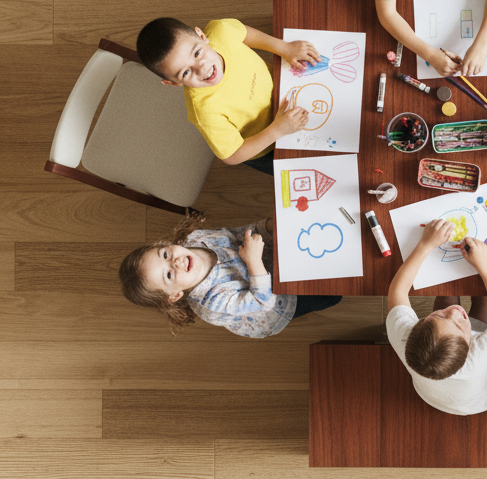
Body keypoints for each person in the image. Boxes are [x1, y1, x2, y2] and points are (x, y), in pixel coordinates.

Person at [136, 17, 319, 176]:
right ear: (174, 83)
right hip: (267, 144)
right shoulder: (204, 111)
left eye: (197, 53)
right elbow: (232, 155)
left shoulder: (221, 31)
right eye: (185, 72)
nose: (202, 68)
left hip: (287, 90)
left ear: (201, 36)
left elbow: (244, 33)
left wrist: (284, 47)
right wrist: (277, 130)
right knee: (309, 169)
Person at [119, 215, 340, 338]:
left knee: (319, 260)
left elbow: (233, 235)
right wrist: (253, 261)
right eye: (168, 275)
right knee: (327, 293)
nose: (175, 262)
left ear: (164, 244)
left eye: (165, 254)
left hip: (268, 261)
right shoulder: (213, 303)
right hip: (278, 304)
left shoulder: (195, 239)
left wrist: (265, 227)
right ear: (175, 295)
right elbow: (263, 302)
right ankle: (333, 296)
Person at [385, 219, 487, 415]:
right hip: (479, 400)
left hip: (432, 394)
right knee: (485, 296)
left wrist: (426, 244)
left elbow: (397, 291)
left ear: (417, 325)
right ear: (471, 344)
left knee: (445, 296)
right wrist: (484, 265)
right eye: (460, 324)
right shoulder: (482, 354)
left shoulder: (404, 337)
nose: (455, 311)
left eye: (440, 316)